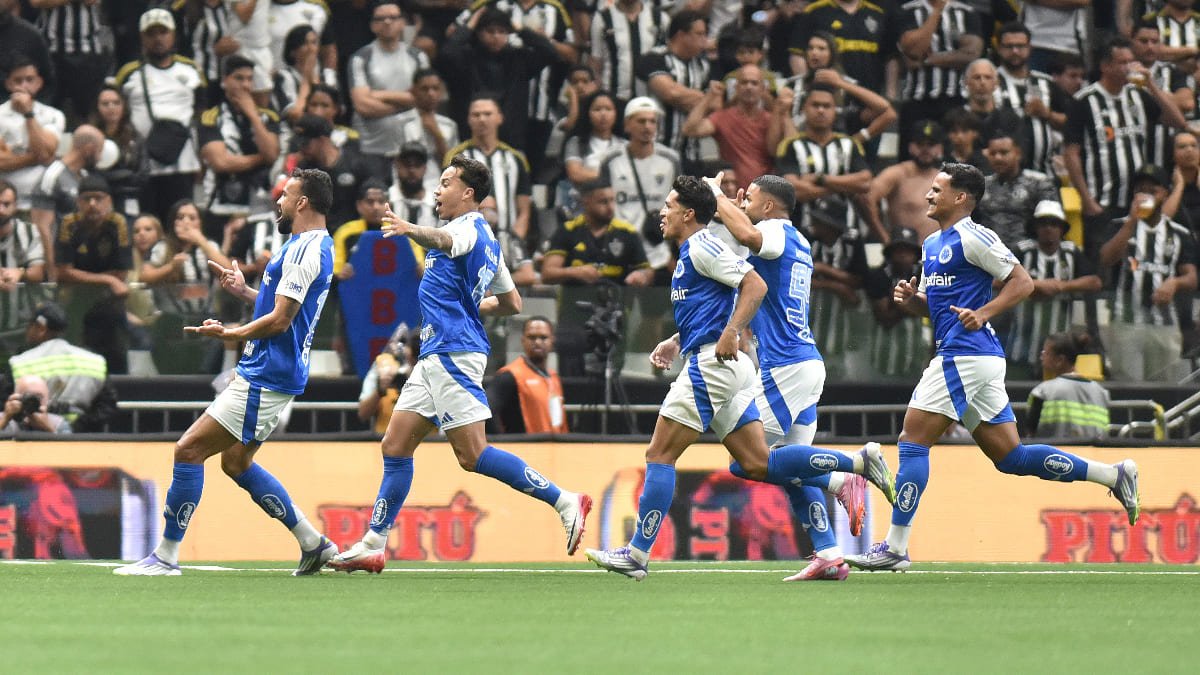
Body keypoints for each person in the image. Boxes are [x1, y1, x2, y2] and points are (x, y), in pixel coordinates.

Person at [584, 175, 893, 580]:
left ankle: (637, 555)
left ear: (689, 213)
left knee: (660, 455)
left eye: (669, 205)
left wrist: (729, 332)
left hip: (749, 365)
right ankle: (831, 547)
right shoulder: (713, 249)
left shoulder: (750, 237)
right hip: (750, 363)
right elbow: (724, 296)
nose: (662, 212)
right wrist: (678, 340)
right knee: (758, 463)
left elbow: (753, 281)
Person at [845, 163, 1141, 572]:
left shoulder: (976, 236)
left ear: (961, 198)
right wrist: (913, 300)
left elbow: (1023, 282)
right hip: (971, 357)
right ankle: (1113, 475)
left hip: (964, 356)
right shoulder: (931, 243)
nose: (929, 196)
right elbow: (937, 307)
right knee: (1011, 457)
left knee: (912, 441)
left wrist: (984, 312)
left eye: (938, 190)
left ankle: (896, 547)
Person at [326, 155, 592, 574]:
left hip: (453, 352)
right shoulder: (489, 239)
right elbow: (513, 303)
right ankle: (373, 544)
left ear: (467, 193)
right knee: (395, 445)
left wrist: (410, 230)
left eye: (446, 182)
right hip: (437, 352)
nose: (437, 189)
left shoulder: (464, 228)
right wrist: (475, 303)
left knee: (473, 455)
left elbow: (448, 244)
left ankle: (565, 500)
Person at [113, 168, 339, 576]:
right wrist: (245, 292)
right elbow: (282, 307)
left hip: (267, 373)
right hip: (273, 371)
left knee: (188, 450)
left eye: (286, 196)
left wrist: (230, 333)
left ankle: (165, 556)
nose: (279, 202)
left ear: (303, 202)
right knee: (236, 463)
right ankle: (312, 542)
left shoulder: (307, 249)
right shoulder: (305, 245)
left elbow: (281, 322)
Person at [704, 171, 884, 580]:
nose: (742, 201)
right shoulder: (796, 240)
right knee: (790, 469)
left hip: (785, 367)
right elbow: (742, 261)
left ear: (768, 206)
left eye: (749, 197)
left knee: (745, 460)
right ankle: (829, 555)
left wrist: (716, 197)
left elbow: (750, 237)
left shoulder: (772, 231)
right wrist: (730, 210)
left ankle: (848, 471)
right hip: (801, 363)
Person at [1098, 164, 1198, 382]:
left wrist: (1174, 283)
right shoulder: (1118, 226)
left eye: (1153, 191)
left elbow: (1192, 277)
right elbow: (1107, 258)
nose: (1146, 196)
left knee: (1165, 385)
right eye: (1140, 190)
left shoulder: (1179, 234)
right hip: (1126, 321)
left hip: (1165, 324)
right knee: (1126, 383)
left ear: (1165, 194)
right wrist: (1132, 221)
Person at [115, 8, 206, 225]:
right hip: (145, 164)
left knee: (181, 222)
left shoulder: (191, 69)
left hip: (183, 161)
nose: (158, 39)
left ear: (173, 35)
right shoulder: (129, 72)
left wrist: (203, 158)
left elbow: (201, 113)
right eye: (151, 33)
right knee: (147, 223)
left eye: (163, 32)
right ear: (142, 38)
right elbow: (119, 111)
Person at [1006, 200, 1101, 379]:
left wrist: (1060, 286)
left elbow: (1094, 282)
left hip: (1060, 348)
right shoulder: (1022, 250)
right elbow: (997, 280)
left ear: (1062, 228)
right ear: (1035, 227)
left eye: (1054, 224)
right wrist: (1037, 285)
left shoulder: (1071, 252)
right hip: (1023, 342)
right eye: (1043, 224)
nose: (1048, 228)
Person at [53, 175, 132, 374]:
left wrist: (84, 277)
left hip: (109, 304)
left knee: (116, 353)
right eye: (87, 199)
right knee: (75, 353)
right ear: (78, 202)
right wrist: (107, 279)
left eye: (98, 198)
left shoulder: (118, 223)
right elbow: (63, 272)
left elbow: (121, 273)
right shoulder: (69, 224)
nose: (92, 204)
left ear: (109, 201)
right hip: (75, 301)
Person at [776, 84, 874, 241]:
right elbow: (793, 191)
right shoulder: (790, 145)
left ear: (835, 111)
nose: (821, 110)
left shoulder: (850, 144)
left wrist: (820, 179)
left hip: (847, 233)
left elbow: (865, 182)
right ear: (803, 110)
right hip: (802, 233)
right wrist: (843, 186)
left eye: (826, 106)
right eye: (815, 105)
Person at [199, 54, 281, 231]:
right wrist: (261, 158)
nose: (245, 85)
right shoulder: (211, 117)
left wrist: (253, 115)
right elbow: (221, 162)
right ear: (224, 81)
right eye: (239, 78)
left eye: (249, 79)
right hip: (221, 204)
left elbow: (272, 155)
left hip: (260, 205)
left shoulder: (268, 117)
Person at [347, 1, 429, 174]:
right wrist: (407, 102)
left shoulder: (418, 57)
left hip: (411, 145)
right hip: (371, 148)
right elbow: (362, 105)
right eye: (381, 18)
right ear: (372, 25)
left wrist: (377, 94)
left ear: (402, 23)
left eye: (393, 17)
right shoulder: (360, 58)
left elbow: (425, 98)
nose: (387, 22)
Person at [9, 302, 110, 429]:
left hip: (32, 437)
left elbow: (7, 406)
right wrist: (75, 429)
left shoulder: (20, 362)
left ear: (41, 328)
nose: (27, 331)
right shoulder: (95, 361)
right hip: (82, 440)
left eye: (30, 326)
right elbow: (106, 407)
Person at [975, 131, 1060, 249]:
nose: (998, 158)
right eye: (992, 153)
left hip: (1027, 254)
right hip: (987, 253)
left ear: (1018, 153)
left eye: (1004, 152)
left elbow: (1050, 223)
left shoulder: (1039, 183)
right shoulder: (981, 185)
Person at [864, 120, 946, 241]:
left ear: (940, 148)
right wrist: (883, 237)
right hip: (903, 253)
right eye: (920, 144)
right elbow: (865, 198)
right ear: (911, 147)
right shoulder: (897, 174)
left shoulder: (945, 179)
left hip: (939, 253)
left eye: (930, 144)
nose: (925, 149)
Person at [488, 316, 568, 435]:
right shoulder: (509, 376)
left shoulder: (553, 377)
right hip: (525, 448)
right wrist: (503, 443)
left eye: (543, 337)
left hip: (554, 448)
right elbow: (486, 410)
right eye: (532, 337)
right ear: (523, 340)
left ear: (552, 340)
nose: (537, 342)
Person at [1027, 332, 1111, 439]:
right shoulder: (1102, 393)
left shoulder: (1043, 391)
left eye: (1046, 353)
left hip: (1055, 454)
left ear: (1060, 360)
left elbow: (1031, 432)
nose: (1041, 357)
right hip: (1092, 455)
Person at [0, 180, 46, 337]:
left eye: (6, 204)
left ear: (16, 205)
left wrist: (19, 272)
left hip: (21, 325)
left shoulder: (29, 231)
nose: (1, 210)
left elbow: (38, 272)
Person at [1, 374, 70, 434]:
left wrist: (48, 427)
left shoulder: (59, 423)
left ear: (47, 400)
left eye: (39, 397)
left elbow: (70, 448)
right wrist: (5, 419)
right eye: (28, 396)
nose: (33, 401)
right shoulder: (5, 419)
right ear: (16, 397)